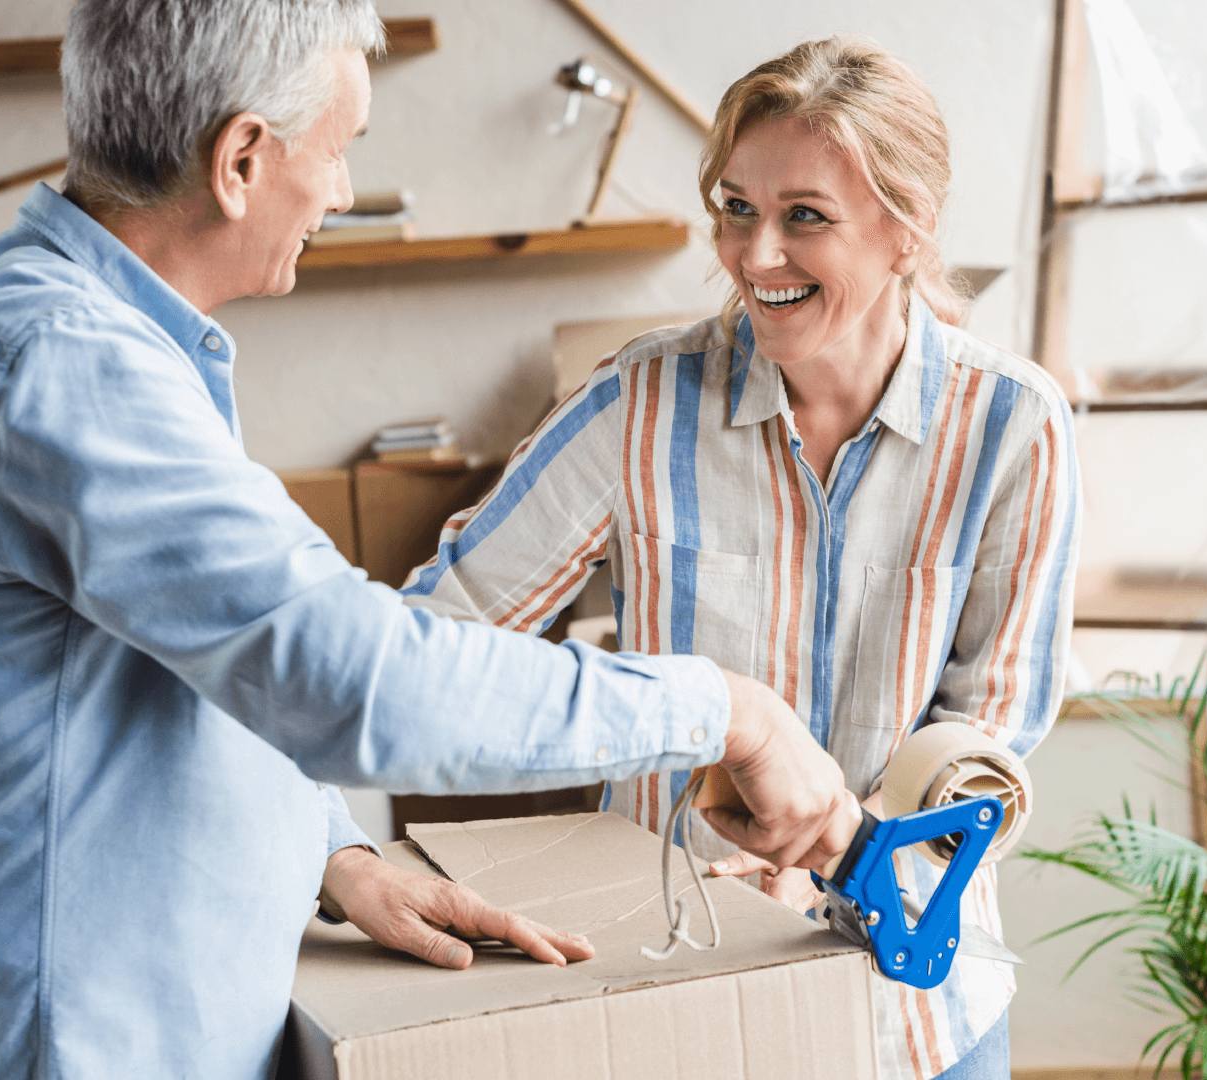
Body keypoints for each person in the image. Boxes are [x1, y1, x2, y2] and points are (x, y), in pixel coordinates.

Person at [0, 3, 861, 1078]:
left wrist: (328, 850)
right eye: (338, 151)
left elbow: (223, 654)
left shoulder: (114, 343)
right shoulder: (60, 367)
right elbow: (353, 679)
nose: (339, 190)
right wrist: (725, 711)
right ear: (240, 159)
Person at [400, 35, 1080, 1080]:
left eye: (804, 216)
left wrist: (848, 858)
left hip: (916, 1017)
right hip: (678, 998)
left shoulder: (1010, 428)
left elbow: (990, 739)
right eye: (735, 208)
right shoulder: (636, 405)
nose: (755, 257)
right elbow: (432, 642)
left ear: (910, 230)